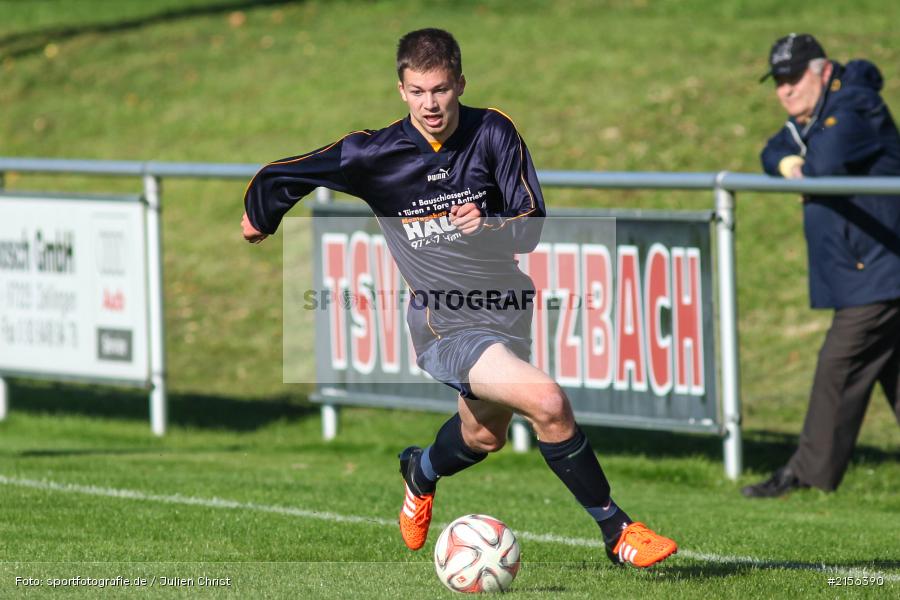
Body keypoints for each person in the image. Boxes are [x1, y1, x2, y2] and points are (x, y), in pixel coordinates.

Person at [241, 28, 677, 566]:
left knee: (483, 437)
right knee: (548, 402)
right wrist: (261, 214)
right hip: (444, 324)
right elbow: (288, 171)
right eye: (419, 91)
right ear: (401, 90)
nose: (431, 104)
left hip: (507, 312)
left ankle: (419, 471)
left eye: (441, 90)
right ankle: (617, 531)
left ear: (460, 84)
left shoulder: (493, 132)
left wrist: (489, 226)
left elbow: (531, 225)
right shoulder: (373, 153)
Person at [743, 33, 900, 498]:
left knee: (839, 364)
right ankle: (807, 473)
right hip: (868, 269)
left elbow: (826, 163)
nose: (785, 90)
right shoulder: (815, 118)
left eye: (793, 78)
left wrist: (803, 160)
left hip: (879, 269)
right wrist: (793, 164)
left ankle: (806, 476)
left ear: (823, 70)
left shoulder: (856, 104)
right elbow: (772, 150)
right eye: (779, 81)